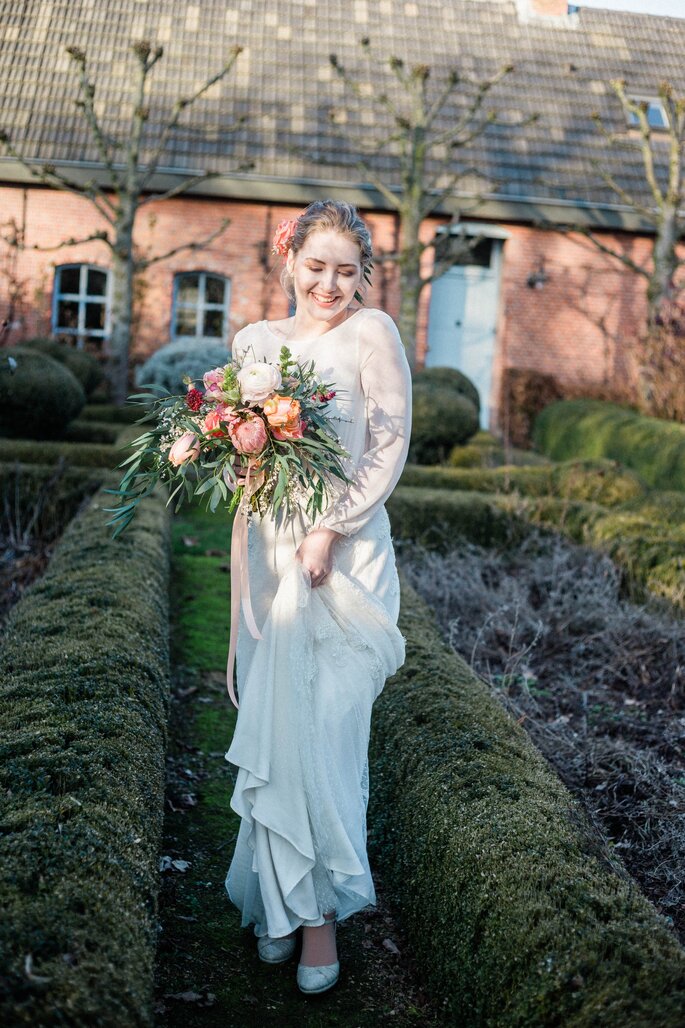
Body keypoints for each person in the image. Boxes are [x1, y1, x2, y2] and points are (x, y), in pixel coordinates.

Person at [224, 199, 412, 995]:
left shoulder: (372, 334)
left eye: (346, 269)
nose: (330, 283)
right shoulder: (256, 344)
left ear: (362, 272)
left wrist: (330, 528)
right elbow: (246, 463)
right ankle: (278, 905)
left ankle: (319, 925)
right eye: (316, 265)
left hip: (344, 559)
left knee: (326, 740)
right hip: (273, 554)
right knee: (277, 733)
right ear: (289, 258)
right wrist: (237, 456)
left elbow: (389, 440)